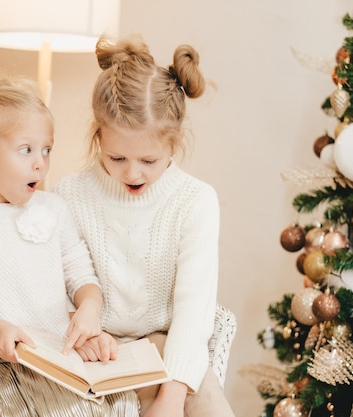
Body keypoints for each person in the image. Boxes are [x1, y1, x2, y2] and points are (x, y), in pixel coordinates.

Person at [0, 57, 139, 417]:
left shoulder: (54, 208)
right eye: (26, 150)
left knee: (124, 403)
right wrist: (0, 329)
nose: (41, 162)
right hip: (5, 362)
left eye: (47, 149)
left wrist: (89, 309)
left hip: (61, 355)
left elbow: (82, 277)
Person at [53, 36, 236, 417]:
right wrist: (81, 326)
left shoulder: (194, 200)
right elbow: (58, 284)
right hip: (98, 348)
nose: (132, 173)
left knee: (208, 402)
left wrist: (170, 398)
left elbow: (193, 310)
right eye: (117, 157)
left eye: (148, 161)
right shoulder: (70, 195)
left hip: (164, 342)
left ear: (175, 144)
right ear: (97, 136)